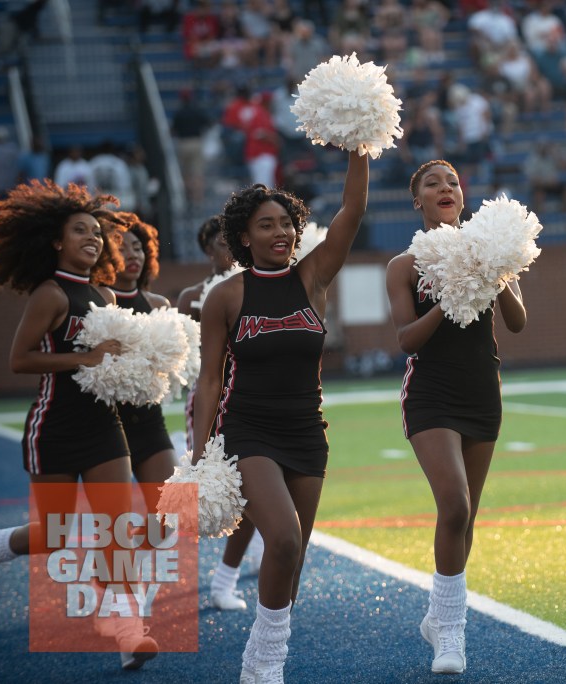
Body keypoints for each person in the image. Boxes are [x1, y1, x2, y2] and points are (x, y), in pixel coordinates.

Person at [190, 149, 368, 682]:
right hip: (248, 429)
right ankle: (262, 665)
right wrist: (201, 452)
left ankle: (267, 654)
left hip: (307, 432)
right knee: (284, 538)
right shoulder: (226, 296)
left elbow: (352, 211)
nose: (280, 233)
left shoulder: (312, 278)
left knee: (292, 560)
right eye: (266, 225)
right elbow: (209, 379)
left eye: (287, 223)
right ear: (243, 236)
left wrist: (360, 146)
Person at [0, 180, 159, 670]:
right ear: (57, 242)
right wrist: (87, 358)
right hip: (53, 427)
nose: (93, 238)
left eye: (96, 232)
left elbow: (116, 360)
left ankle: (127, 628)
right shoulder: (50, 293)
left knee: (115, 528)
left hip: (105, 427)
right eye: (79, 230)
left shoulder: (105, 294)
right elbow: (18, 361)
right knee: (56, 535)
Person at [385, 160, 527, 675]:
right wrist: (448, 298)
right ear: (417, 200)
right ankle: (451, 632)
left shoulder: (489, 249)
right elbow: (406, 340)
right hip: (431, 392)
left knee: (467, 516)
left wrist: (494, 273)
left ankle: (435, 615)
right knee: (454, 503)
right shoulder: (403, 265)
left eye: (452, 182)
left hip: (482, 391)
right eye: (431, 183)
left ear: (462, 198)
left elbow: (517, 321)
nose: (445, 187)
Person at [176, 215, 263, 611]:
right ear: (207, 247)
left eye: (230, 241)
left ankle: (224, 581)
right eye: (217, 242)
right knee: (211, 494)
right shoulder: (193, 296)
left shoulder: (259, 284)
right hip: (212, 397)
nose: (225, 249)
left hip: (251, 397)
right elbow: (193, 359)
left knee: (248, 495)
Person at [110, 213, 177, 515]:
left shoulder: (158, 305)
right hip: (107, 424)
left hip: (150, 422)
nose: (131, 254)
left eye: (137, 247)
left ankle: (127, 557)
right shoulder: (96, 304)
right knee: (113, 525)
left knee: (173, 513)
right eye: (121, 247)